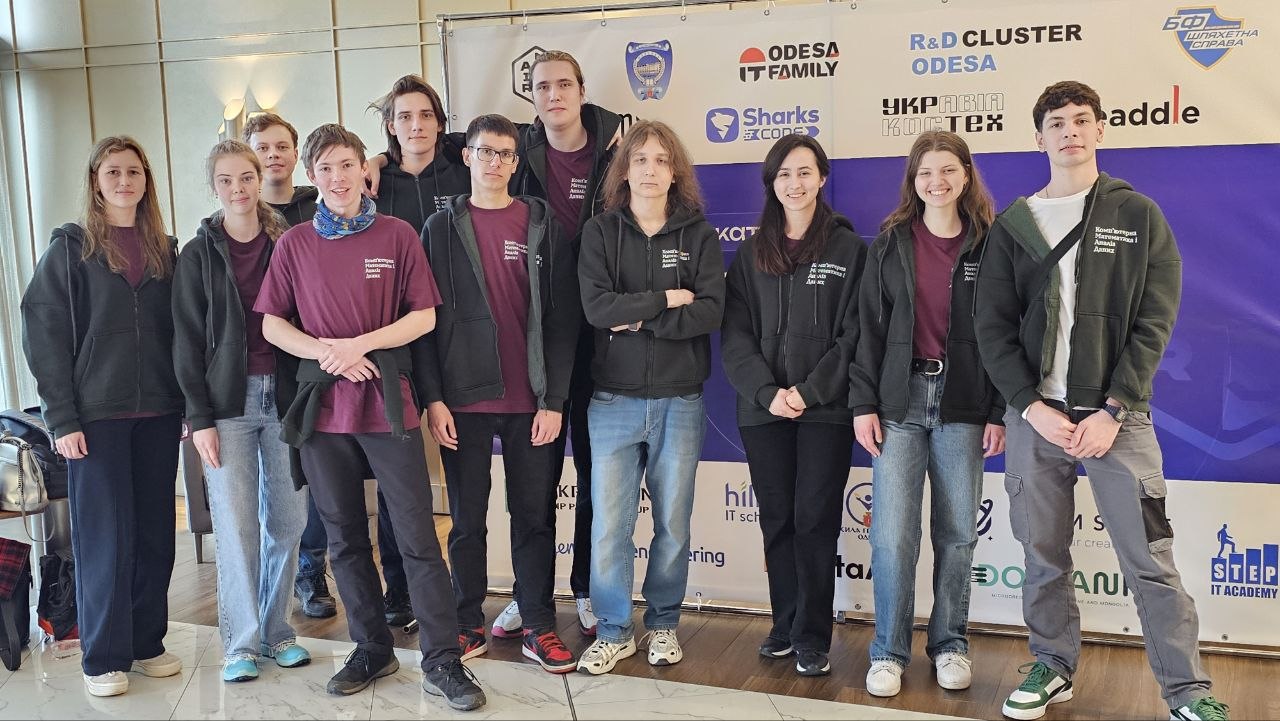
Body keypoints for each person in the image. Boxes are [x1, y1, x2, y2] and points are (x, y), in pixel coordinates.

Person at [974, 81, 1228, 721]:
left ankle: (1189, 692)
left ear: (1100, 130)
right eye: (1056, 123)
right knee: (1042, 556)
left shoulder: (1137, 214)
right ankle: (1051, 667)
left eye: (1080, 120)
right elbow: (992, 328)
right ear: (1039, 139)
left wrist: (1114, 409)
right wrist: (1030, 407)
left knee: (1150, 560)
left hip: (1119, 419)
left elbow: (1155, 319)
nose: (1070, 132)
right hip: (1036, 420)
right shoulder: (1013, 226)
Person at [254, 123, 485, 710]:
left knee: (415, 535)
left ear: (365, 169)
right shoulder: (294, 243)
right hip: (323, 412)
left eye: (346, 165)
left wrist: (360, 345)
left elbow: (423, 317)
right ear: (311, 175)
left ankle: (442, 660)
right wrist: (326, 352)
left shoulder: (398, 234)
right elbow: (273, 324)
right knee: (344, 538)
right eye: (325, 168)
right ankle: (371, 647)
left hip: (388, 405)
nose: (337, 178)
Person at [21, 136, 184, 697]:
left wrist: (189, 404)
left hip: (160, 412)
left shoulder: (165, 251)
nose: (124, 181)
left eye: (134, 172)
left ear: (146, 181)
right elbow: (43, 335)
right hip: (95, 418)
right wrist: (61, 419)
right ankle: (104, 656)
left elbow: (184, 332)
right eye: (112, 172)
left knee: (155, 534)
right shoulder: (71, 251)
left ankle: (146, 642)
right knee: (104, 539)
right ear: (95, 180)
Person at [419, 114, 581, 673]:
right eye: (485, 152)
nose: (495, 162)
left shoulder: (540, 224)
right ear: (467, 156)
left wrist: (554, 400)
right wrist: (433, 398)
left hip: (531, 401)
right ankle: (466, 622)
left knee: (534, 518)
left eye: (506, 154)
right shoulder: (438, 229)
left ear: (516, 162)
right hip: (462, 402)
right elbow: (424, 319)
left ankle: (537, 625)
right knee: (466, 520)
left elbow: (562, 319)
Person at [849, 130, 1005, 698]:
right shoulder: (890, 244)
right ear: (913, 182)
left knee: (958, 533)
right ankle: (888, 652)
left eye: (947, 170)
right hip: (900, 402)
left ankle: (950, 644)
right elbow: (867, 329)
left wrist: (998, 410)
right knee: (892, 536)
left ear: (966, 176)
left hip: (964, 403)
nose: (936, 182)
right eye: (925, 173)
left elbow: (1005, 333)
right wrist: (863, 403)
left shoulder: (992, 243)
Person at [575, 120, 725, 675]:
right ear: (624, 171)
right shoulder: (599, 232)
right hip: (612, 402)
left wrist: (637, 317)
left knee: (673, 526)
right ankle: (614, 631)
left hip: (679, 401)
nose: (650, 170)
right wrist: (665, 300)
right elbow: (598, 309)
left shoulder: (699, 236)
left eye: (662, 160)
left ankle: (663, 625)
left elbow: (709, 311)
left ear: (675, 172)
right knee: (609, 528)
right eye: (640, 159)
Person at [721, 134, 866, 677]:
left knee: (815, 520)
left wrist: (809, 390)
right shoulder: (750, 254)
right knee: (778, 520)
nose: (795, 183)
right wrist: (769, 394)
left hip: (825, 410)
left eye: (804, 172)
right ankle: (784, 624)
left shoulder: (849, 250)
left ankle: (812, 634)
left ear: (822, 178)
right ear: (772, 183)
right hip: (763, 412)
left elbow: (855, 335)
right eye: (784, 174)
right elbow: (735, 336)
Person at [172, 139, 311, 683]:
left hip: (285, 396)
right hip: (226, 403)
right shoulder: (197, 253)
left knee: (289, 520)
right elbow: (185, 341)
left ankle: (278, 631)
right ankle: (242, 643)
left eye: (246, 177)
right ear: (214, 187)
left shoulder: (287, 241)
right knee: (235, 527)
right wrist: (199, 418)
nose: (238, 189)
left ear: (259, 180)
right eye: (226, 180)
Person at [367, 74, 471, 627]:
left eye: (426, 115)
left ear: (440, 123)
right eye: (405, 117)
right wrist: (375, 161)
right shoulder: (373, 183)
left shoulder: (463, 170)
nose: (416, 126)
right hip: (398, 340)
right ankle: (400, 590)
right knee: (399, 479)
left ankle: (464, 588)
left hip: (458, 337)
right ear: (391, 126)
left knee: (465, 472)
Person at [243, 112, 335, 620]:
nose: (273, 155)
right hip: (257, 367)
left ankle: (311, 570)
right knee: (270, 484)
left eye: (282, 146)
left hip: (312, 361)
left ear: (297, 155)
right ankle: (267, 585)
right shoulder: (238, 213)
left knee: (311, 474)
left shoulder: (318, 208)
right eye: (263, 147)